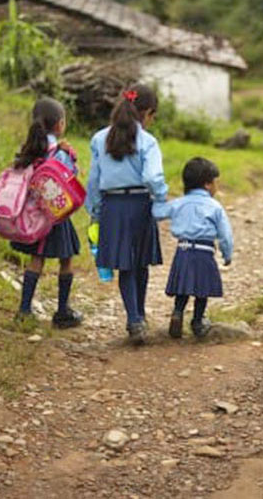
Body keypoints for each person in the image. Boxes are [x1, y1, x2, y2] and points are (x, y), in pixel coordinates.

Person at [85, 85, 168, 344]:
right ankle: (139, 317)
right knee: (141, 262)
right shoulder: (148, 141)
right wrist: (161, 198)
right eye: (152, 116)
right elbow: (152, 176)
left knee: (125, 265)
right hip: (140, 204)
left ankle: (134, 319)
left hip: (113, 207)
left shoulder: (100, 139)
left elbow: (93, 180)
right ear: (147, 113)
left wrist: (95, 212)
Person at [12, 97, 84, 329]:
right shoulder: (59, 151)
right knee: (66, 260)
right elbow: (70, 174)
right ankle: (62, 311)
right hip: (56, 215)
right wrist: (73, 159)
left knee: (37, 259)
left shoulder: (30, 147)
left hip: (34, 214)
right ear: (60, 124)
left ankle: (24, 310)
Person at [154, 157, 233, 339]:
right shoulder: (215, 207)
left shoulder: (178, 203)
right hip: (204, 252)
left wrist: (157, 197)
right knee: (201, 290)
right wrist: (227, 254)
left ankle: (177, 312)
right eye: (215, 183)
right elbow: (225, 235)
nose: (216, 187)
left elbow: (157, 213)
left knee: (183, 287)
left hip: (183, 250)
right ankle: (197, 321)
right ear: (207, 184)